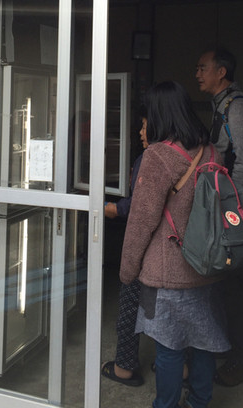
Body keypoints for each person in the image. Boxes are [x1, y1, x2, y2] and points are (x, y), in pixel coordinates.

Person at [120, 82, 229, 408]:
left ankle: (165, 405)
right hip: (207, 266)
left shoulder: (157, 156)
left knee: (168, 348)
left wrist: (128, 270)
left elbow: (141, 222)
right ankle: (198, 402)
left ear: (158, 115)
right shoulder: (211, 152)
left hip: (167, 274)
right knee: (204, 343)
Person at [195, 46, 243, 387]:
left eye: (203, 67)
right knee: (221, 284)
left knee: (231, 284)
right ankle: (228, 348)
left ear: (221, 72)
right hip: (225, 208)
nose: (197, 73)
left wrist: (227, 204)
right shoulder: (220, 105)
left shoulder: (239, 108)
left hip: (235, 213)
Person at [101, 112, 148, 387]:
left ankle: (124, 367)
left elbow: (141, 206)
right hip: (176, 251)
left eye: (144, 125)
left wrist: (114, 209)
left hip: (146, 247)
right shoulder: (192, 150)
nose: (140, 132)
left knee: (130, 304)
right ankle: (182, 368)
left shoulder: (152, 159)